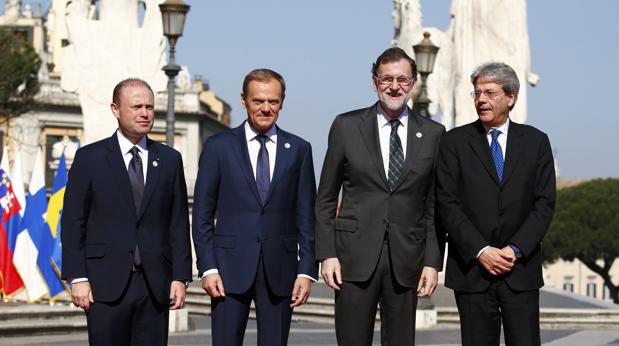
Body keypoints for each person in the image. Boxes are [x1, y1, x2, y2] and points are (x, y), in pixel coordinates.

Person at [315, 47, 445, 345]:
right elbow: (325, 197)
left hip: (407, 261)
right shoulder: (346, 126)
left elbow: (434, 205)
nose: (394, 86)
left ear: (413, 83)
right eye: (387, 79)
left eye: (402, 79)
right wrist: (327, 254)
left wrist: (432, 262)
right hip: (352, 258)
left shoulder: (435, 134)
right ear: (375, 82)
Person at [61, 78, 192, 345]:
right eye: (136, 107)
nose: (145, 113)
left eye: (149, 107)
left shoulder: (169, 160)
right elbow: (74, 222)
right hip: (104, 285)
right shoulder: (89, 159)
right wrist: (78, 278)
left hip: (155, 285)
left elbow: (177, 222)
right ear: (115, 109)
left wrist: (180, 277)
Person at [192, 69, 318, 346]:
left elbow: (307, 216)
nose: (265, 108)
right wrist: (208, 267)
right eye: (258, 100)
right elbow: (201, 214)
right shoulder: (218, 147)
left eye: (273, 101)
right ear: (244, 100)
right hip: (226, 271)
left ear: (282, 102)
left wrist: (306, 270)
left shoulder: (299, 149)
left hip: (281, 270)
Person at [436, 62, 555, 346]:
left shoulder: (537, 142)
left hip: (520, 271)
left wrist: (514, 250)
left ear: (511, 97)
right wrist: (481, 250)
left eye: (489, 93)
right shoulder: (454, 142)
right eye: (477, 93)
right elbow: (447, 203)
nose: (481, 100)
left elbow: (544, 204)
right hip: (472, 272)